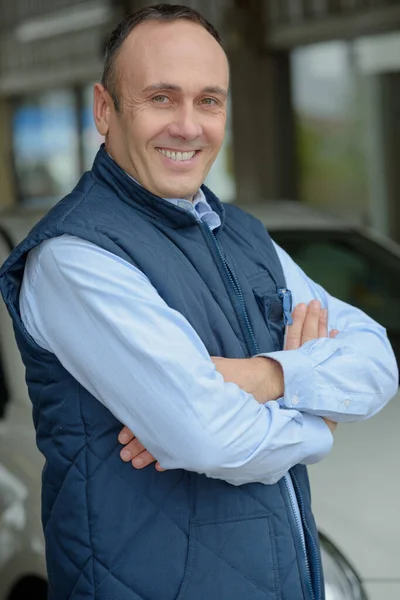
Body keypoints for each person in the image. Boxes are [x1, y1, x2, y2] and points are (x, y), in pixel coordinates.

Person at [0, 4, 397, 600]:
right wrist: (323, 417)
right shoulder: (76, 256)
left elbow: (377, 360)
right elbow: (211, 437)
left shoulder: (243, 235)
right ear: (104, 110)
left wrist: (262, 377)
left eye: (209, 100)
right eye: (161, 97)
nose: (189, 125)